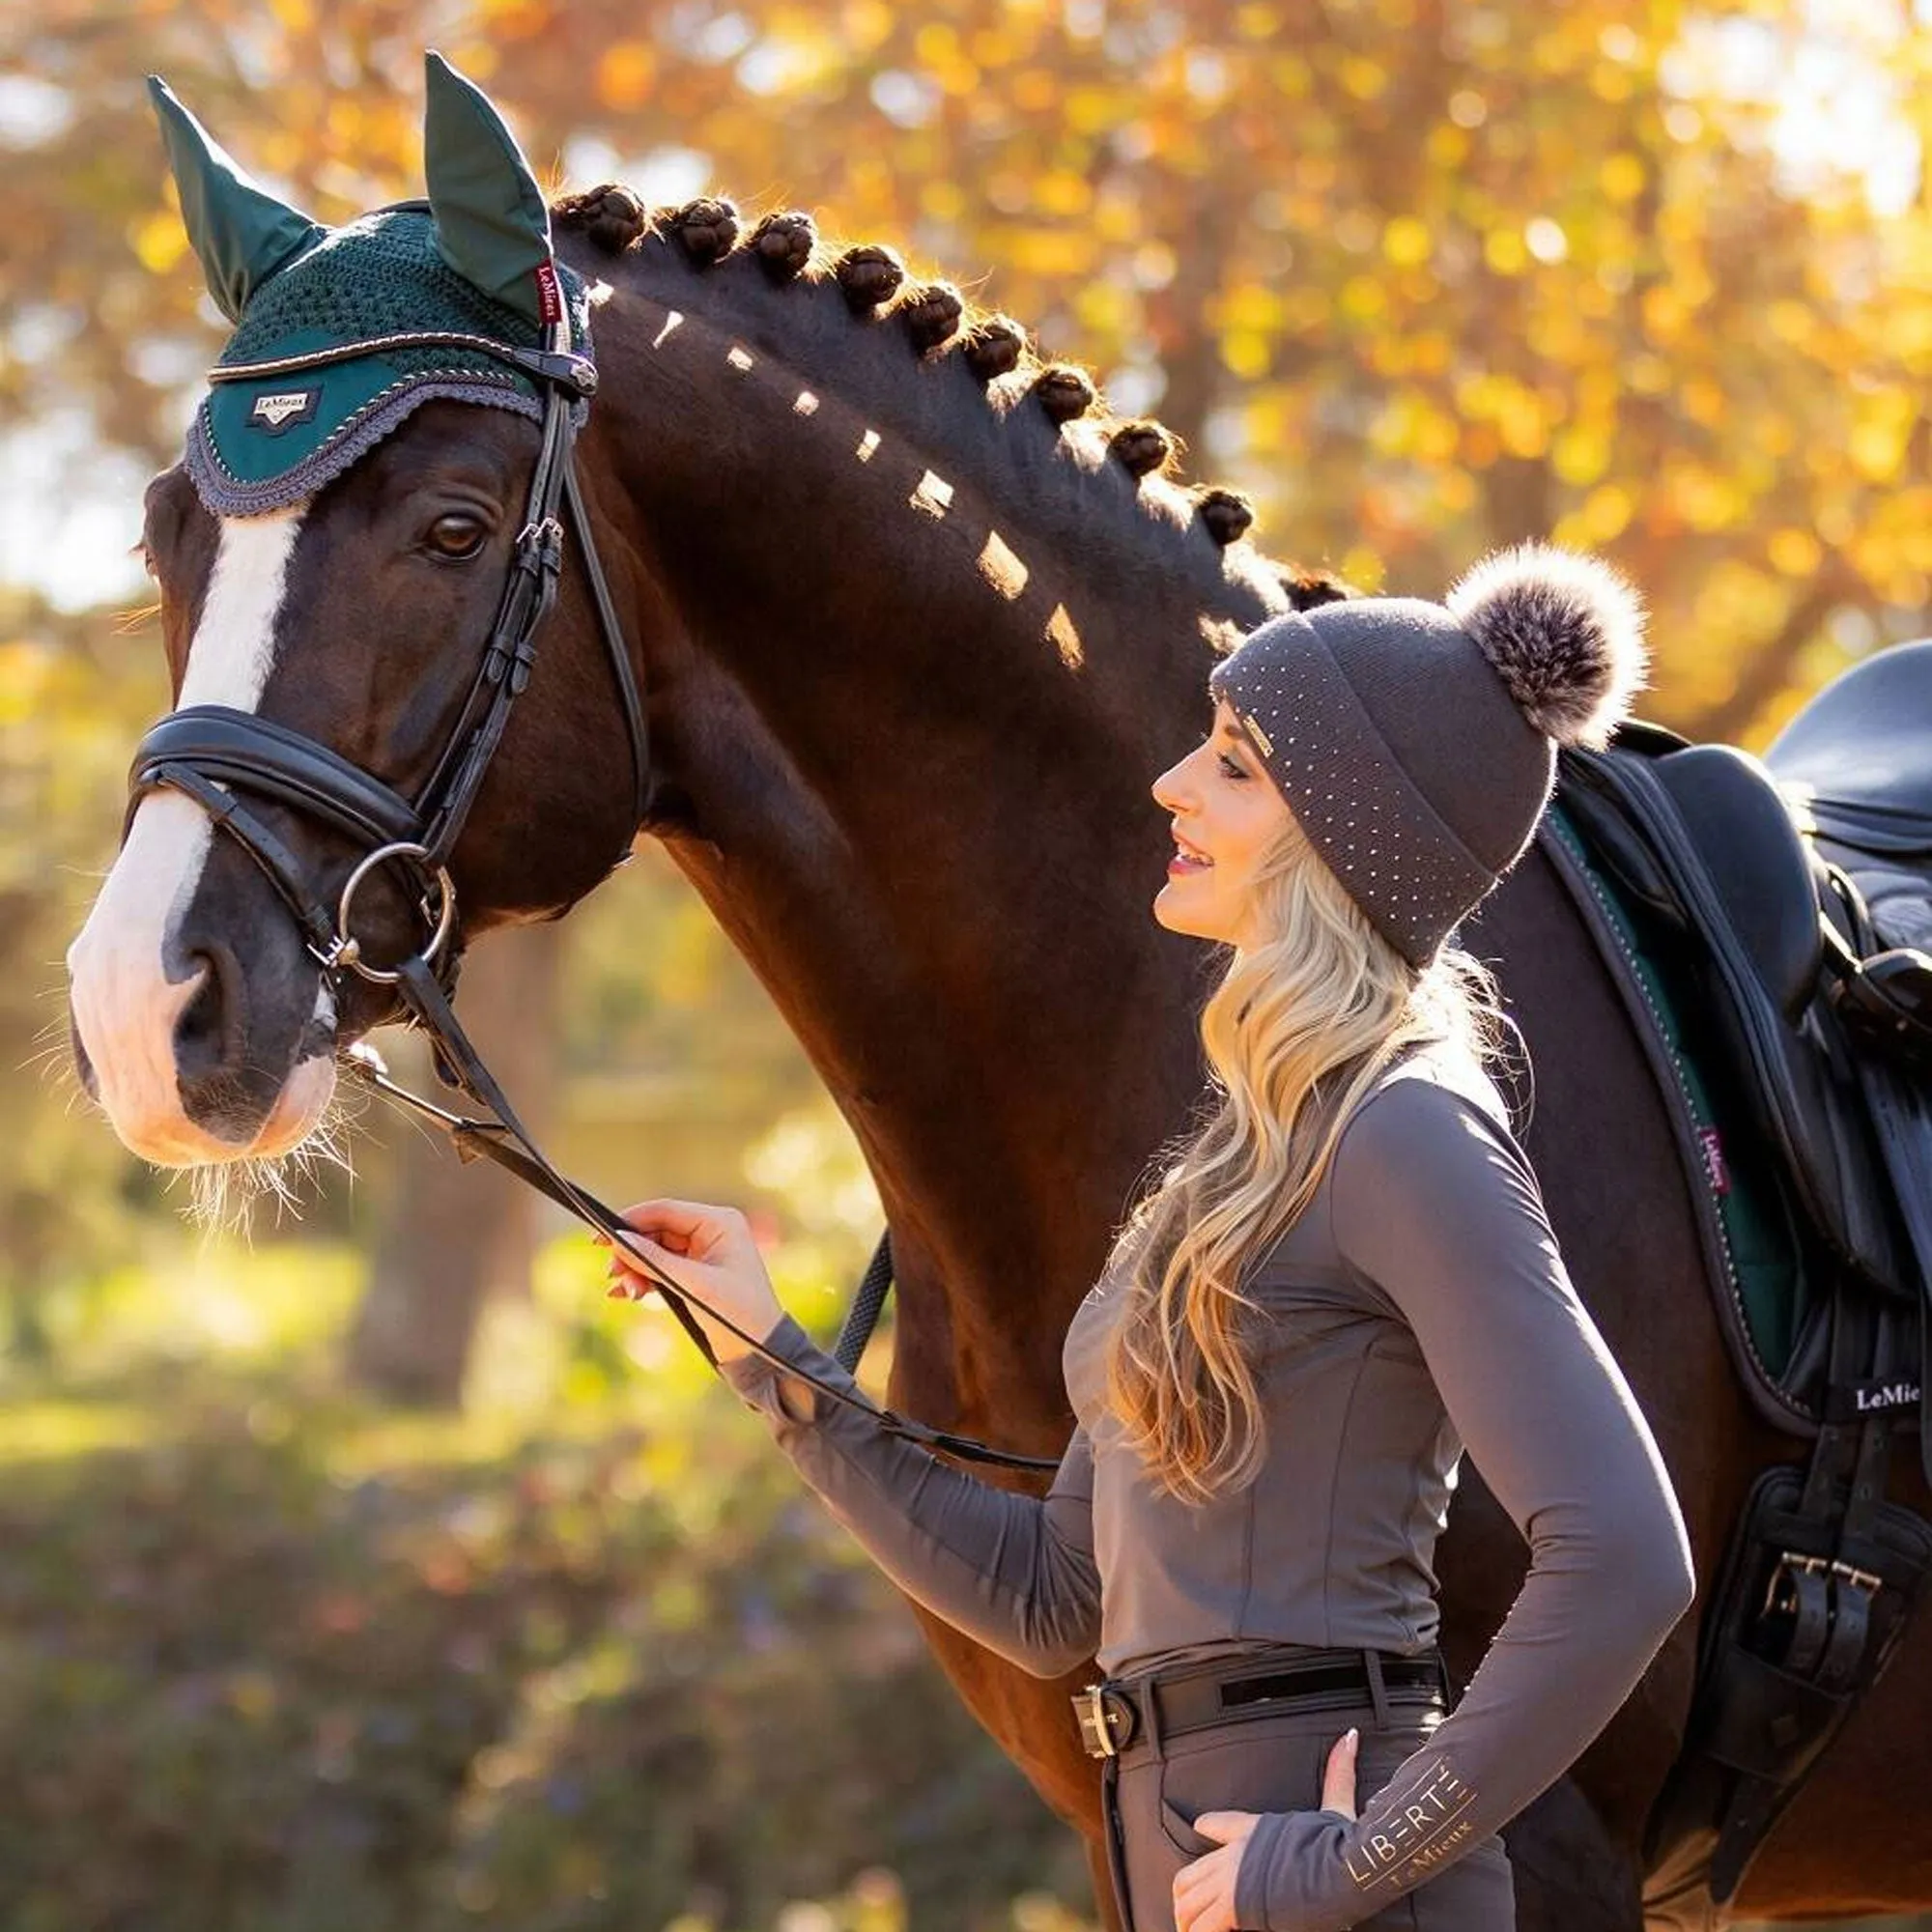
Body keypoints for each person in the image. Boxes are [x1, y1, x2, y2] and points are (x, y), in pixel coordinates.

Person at [601, 540, 1697, 1932]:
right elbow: (1058, 1598)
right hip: (1178, 1857)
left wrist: (1349, 1866)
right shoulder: (1229, 1162)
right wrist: (775, 1359)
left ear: (1345, 830)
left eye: (1234, 762)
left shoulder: (1411, 1128)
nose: (1173, 783)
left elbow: (1624, 1558)